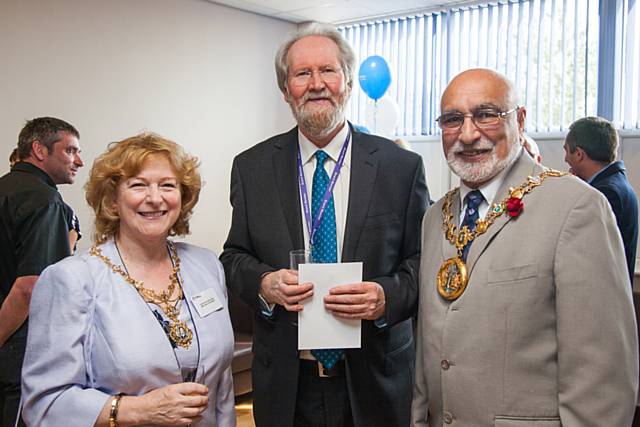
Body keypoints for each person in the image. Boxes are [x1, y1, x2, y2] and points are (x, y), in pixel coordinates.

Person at [220, 22, 429, 427]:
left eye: (328, 71)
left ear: (348, 83)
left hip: (376, 378)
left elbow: (422, 259)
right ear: (285, 90)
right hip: (287, 381)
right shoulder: (251, 168)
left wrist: (387, 296)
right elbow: (234, 257)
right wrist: (264, 283)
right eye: (302, 74)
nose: (316, 84)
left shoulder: (400, 167)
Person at [411, 69, 638, 426]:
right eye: (453, 119)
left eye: (486, 114)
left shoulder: (576, 208)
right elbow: (429, 351)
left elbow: (603, 383)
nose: (468, 135)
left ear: (519, 119)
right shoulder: (435, 216)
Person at [21, 133, 236, 427]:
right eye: (138, 185)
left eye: (167, 185)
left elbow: (221, 386)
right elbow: (44, 404)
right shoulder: (71, 280)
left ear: (182, 197)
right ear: (112, 199)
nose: (155, 198)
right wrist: (136, 410)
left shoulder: (206, 265)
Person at [0, 117, 83, 427]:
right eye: (71, 151)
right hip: (19, 345)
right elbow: (30, 288)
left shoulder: (4, 189)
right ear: (39, 149)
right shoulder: (44, 200)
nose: (79, 161)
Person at [564, 116, 638, 282]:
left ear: (579, 154)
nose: (565, 159)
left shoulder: (604, 193)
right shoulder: (617, 183)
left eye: (566, 151)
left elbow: (586, 253)